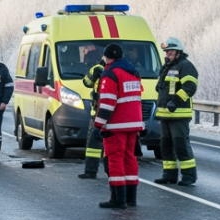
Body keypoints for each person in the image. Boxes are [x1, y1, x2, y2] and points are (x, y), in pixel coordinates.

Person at [92, 43, 144, 209]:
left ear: (106, 58)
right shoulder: (133, 72)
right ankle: (131, 198)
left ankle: (118, 199)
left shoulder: (110, 74)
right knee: (129, 158)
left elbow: (107, 104)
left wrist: (98, 125)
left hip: (116, 125)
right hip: (134, 123)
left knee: (115, 159)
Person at [154, 37, 200, 186]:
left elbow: (189, 87)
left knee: (180, 144)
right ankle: (169, 175)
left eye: (171, 51)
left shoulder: (186, 66)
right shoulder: (167, 67)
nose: (168, 54)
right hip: (165, 115)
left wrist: (176, 101)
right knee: (165, 145)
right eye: (167, 52)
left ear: (179, 52)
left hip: (179, 114)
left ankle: (189, 176)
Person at [78, 49, 108, 179]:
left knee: (109, 144)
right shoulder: (97, 68)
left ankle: (111, 171)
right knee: (92, 145)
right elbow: (86, 82)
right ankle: (90, 171)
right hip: (96, 112)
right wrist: (93, 74)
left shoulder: (115, 70)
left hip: (108, 113)